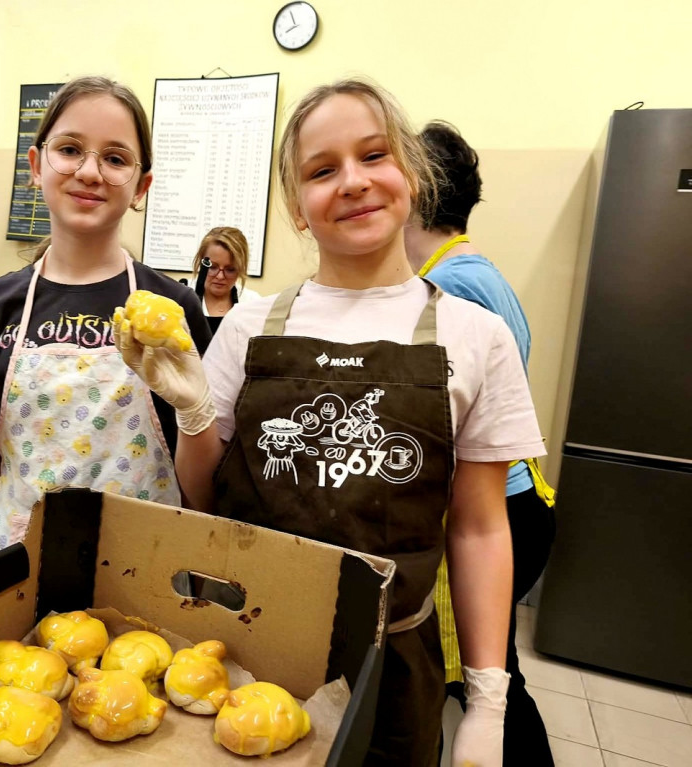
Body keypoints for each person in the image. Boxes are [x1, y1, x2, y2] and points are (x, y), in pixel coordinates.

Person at [115, 78, 545, 766]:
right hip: (241, 651)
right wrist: (193, 411)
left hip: (394, 669)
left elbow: (480, 526)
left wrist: (490, 700)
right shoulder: (253, 324)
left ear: (410, 172)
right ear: (296, 207)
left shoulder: (475, 335)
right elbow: (202, 500)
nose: (353, 181)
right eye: (322, 169)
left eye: (374, 155)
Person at [0, 76, 211, 555]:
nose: (91, 172)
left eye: (115, 159)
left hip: (146, 567)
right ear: (36, 166)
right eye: (71, 149)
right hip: (22, 560)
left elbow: (202, 491)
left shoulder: (172, 312)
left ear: (142, 186)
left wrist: (196, 414)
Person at [405, 120, 557, 766]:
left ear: (414, 193)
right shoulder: (480, 270)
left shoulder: (453, 288)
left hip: (491, 511)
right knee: (490, 673)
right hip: (519, 503)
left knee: (487, 681)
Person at [188, 226, 260, 334]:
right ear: (201, 262)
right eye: (212, 267)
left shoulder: (253, 303)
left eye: (230, 270)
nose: (220, 276)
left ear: (240, 269)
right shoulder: (183, 297)